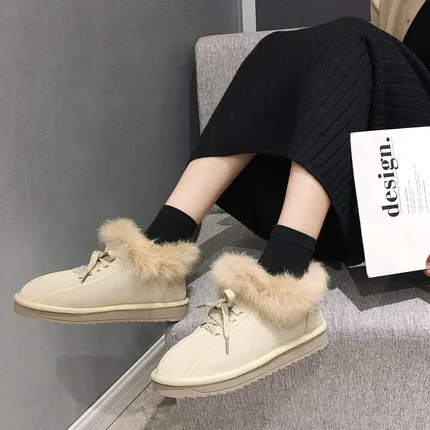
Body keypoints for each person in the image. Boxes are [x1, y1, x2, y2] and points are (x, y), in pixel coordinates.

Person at [13, 2, 430, 398]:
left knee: (350, 37)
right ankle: (159, 257)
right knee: (278, 49)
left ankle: (282, 290)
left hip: (408, 226)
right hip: (382, 188)